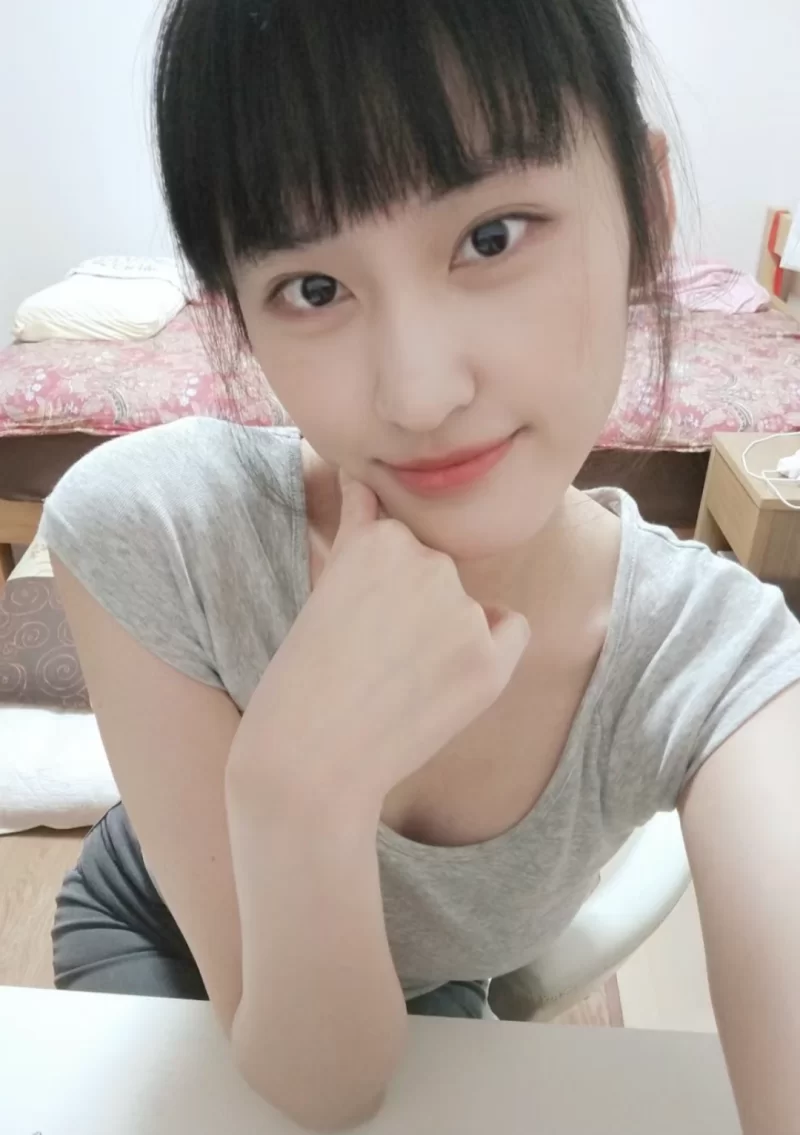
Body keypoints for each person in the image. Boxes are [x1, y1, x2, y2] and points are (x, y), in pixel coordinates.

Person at [42, 1, 800, 1132]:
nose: (419, 391)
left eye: (492, 236)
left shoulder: (712, 661)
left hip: (414, 987)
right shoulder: (151, 530)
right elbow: (316, 1085)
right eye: (313, 288)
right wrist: (294, 791)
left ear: (645, 214)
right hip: (149, 928)